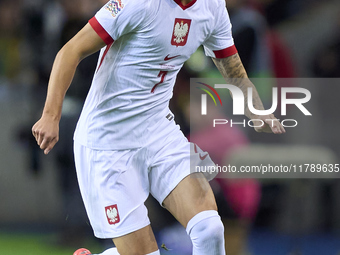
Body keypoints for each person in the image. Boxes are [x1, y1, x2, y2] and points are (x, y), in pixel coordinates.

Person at [31, 0, 285, 254]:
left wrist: (253, 105)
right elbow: (71, 50)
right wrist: (50, 116)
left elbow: (229, 62)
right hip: (108, 143)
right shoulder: (137, 3)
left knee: (210, 229)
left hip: (159, 133)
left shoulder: (212, 6)